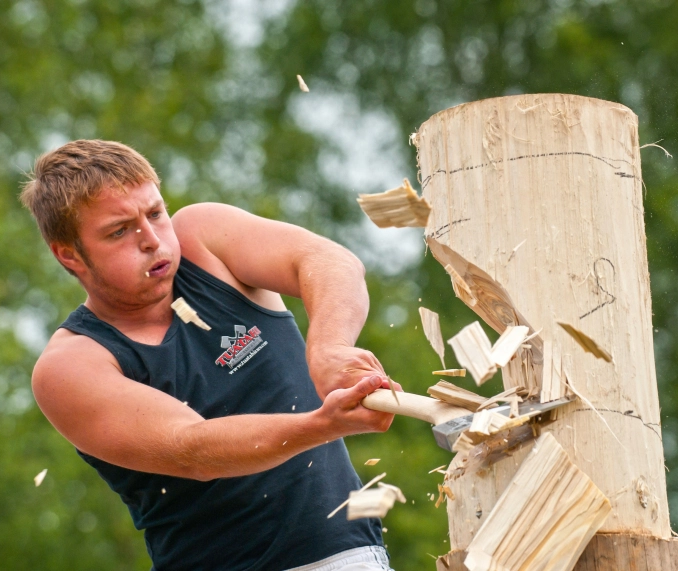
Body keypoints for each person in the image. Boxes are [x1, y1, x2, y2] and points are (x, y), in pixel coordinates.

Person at [21, 139, 399, 571]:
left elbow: (329, 261)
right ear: (69, 255)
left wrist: (329, 348)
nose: (152, 240)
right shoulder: (71, 365)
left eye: (155, 213)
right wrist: (322, 425)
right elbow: (192, 449)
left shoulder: (204, 239)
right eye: (119, 231)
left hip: (347, 555)